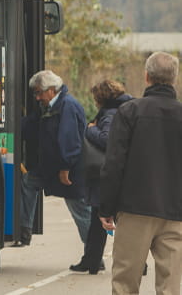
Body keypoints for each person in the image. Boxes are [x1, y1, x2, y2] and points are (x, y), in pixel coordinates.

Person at [100, 52, 182, 295]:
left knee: (125, 282)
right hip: (175, 211)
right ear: (174, 79)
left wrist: (106, 207)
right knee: (170, 286)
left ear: (146, 77)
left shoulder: (129, 112)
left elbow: (114, 163)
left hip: (134, 208)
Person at [15, 70, 91, 269]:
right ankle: (24, 229)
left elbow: (70, 140)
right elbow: (30, 125)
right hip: (50, 169)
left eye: (39, 92)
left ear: (51, 90)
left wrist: (66, 167)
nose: (37, 97)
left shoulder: (68, 106)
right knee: (28, 182)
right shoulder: (48, 106)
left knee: (81, 212)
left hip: (68, 170)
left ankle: (93, 255)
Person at [75, 80, 133, 274]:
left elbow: (107, 140)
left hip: (106, 175)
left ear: (101, 98)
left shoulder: (109, 114)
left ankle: (92, 261)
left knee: (103, 219)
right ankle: (91, 260)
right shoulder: (125, 109)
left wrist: (90, 129)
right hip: (118, 173)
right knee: (103, 220)